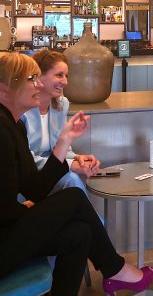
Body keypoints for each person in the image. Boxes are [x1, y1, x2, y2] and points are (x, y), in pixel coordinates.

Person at [0, 52, 153, 296]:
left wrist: (64, 140)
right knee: (75, 198)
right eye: (29, 79)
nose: (37, 85)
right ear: (3, 90)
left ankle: (113, 270)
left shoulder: (10, 125)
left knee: (79, 234)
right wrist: (32, 211)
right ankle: (115, 269)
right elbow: (1, 213)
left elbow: (35, 188)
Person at [23, 48, 99, 196]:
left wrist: (78, 158)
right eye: (59, 75)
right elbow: (26, 161)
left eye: (66, 76)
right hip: (28, 180)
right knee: (72, 179)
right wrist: (71, 165)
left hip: (53, 171)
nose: (65, 82)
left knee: (73, 180)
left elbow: (59, 147)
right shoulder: (22, 109)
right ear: (39, 76)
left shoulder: (61, 104)